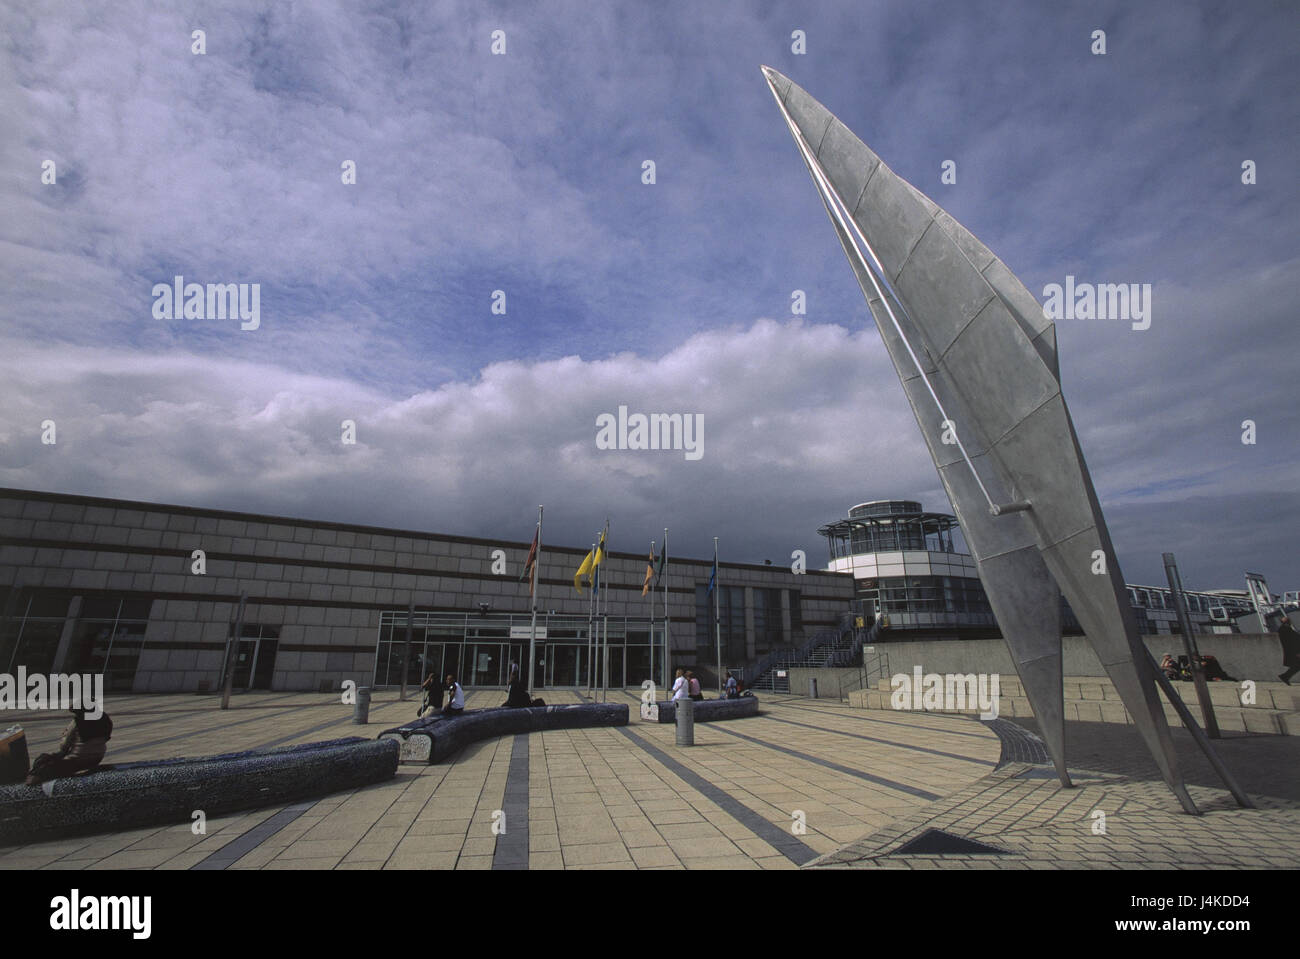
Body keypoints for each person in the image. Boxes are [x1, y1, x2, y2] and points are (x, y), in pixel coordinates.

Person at [26, 708, 113, 786]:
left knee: (44, 760)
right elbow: (107, 737)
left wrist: (62, 753)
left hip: (78, 760)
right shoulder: (104, 718)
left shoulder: (77, 721)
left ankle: (31, 784)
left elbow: (64, 744)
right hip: (98, 757)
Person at [1278, 615, 1300, 686]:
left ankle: (1285, 676)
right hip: (1293, 651)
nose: (1290, 622)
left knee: (1297, 665)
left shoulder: (1285, 629)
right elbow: (1292, 641)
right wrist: (1297, 652)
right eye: (1288, 621)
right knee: (1297, 665)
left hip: (1292, 651)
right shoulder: (1285, 629)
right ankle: (1285, 676)